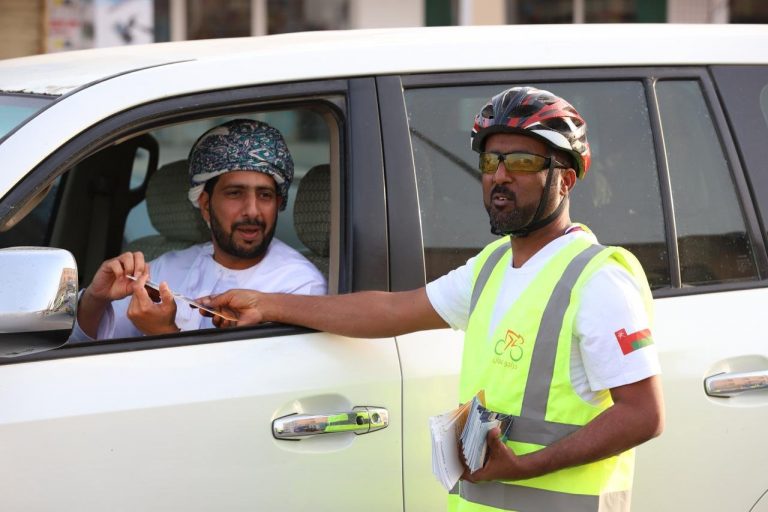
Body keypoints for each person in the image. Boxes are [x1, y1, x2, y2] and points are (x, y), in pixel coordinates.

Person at [198, 87, 664, 511]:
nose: (500, 176)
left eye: (522, 162)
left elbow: (644, 415)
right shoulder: (493, 266)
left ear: (567, 179)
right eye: (490, 162)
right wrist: (269, 305)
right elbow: (390, 310)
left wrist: (525, 467)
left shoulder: (597, 280)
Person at [71, 118, 326, 340]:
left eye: (265, 195)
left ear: (278, 204)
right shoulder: (166, 268)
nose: (252, 211)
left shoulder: (299, 287)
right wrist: (95, 298)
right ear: (205, 204)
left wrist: (164, 334)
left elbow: (259, 380)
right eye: (235, 193)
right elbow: (86, 348)